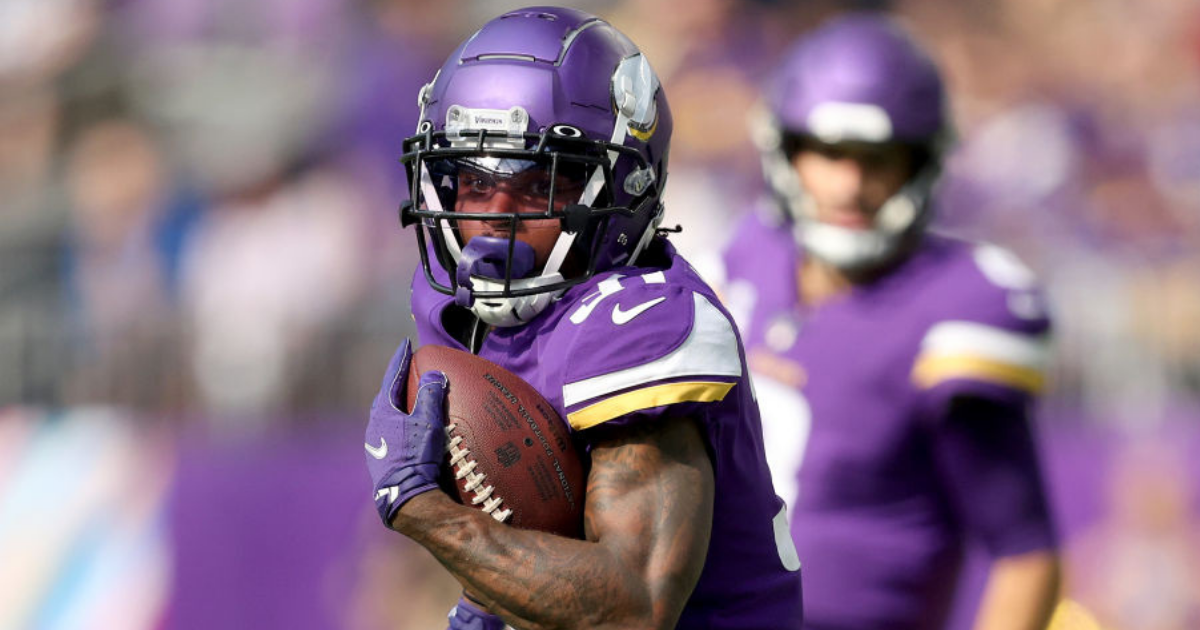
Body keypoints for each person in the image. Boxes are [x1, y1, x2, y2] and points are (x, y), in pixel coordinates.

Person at [363, 6, 804, 629]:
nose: (495, 217)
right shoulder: (454, 305)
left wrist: (426, 512)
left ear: (625, 187)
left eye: (539, 184)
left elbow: (633, 607)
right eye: (469, 182)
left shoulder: (644, 323)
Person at [719, 13, 1061, 630]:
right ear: (786, 149)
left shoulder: (955, 310)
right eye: (830, 152)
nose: (851, 184)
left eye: (879, 158)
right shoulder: (746, 256)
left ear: (922, 163)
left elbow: (1025, 556)